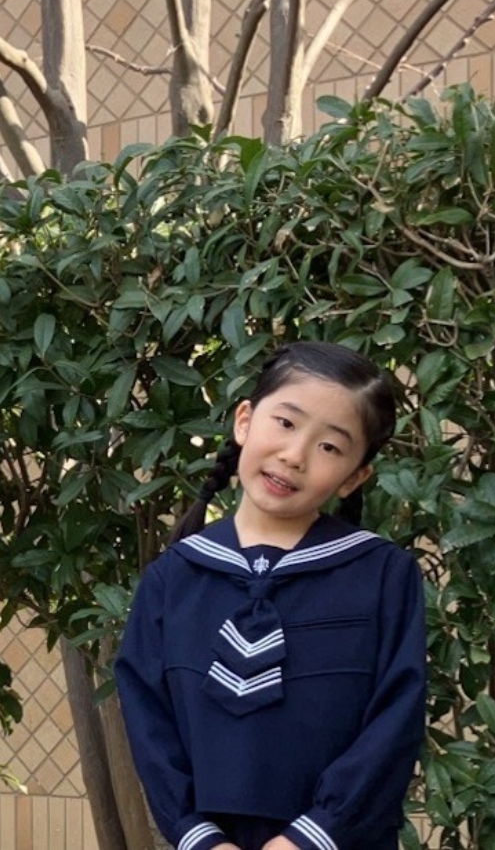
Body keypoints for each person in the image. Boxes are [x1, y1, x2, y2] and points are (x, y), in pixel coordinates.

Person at [115, 342, 426, 850]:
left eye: (330, 447)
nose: (294, 455)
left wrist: (313, 835)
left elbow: (396, 719)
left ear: (354, 477)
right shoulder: (173, 578)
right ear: (244, 421)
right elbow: (149, 720)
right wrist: (197, 835)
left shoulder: (383, 577)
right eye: (285, 422)